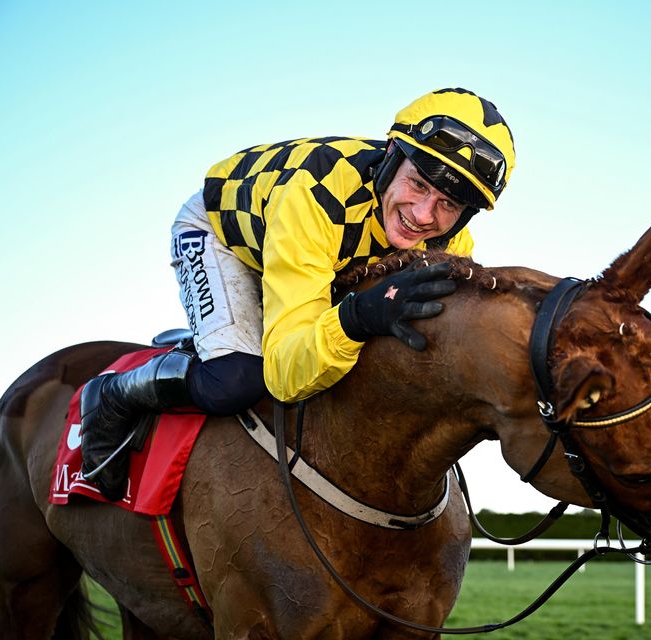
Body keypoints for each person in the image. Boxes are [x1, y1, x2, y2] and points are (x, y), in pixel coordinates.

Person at [78, 88, 516, 501]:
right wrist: (356, 317)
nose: (423, 216)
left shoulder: (450, 243)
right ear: (390, 157)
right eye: (418, 184)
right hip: (224, 234)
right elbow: (286, 374)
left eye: (448, 205)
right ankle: (114, 394)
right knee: (235, 380)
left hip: (317, 255)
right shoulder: (315, 195)